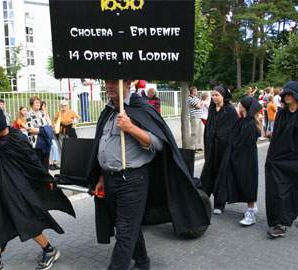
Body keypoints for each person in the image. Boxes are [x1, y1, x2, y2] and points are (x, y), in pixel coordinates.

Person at [88, 80, 210, 270]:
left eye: (114, 81)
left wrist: (130, 128)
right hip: (110, 179)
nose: (109, 86)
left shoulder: (140, 108)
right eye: (107, 82)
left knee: (125, 231)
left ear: (127, 83)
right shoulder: (109, 111)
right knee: (128, 226)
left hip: (133, 181)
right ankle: (143, 262)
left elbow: (159, 144)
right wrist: (101, 177)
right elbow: (102, 145)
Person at [0, 106, 75, 270]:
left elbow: (32, 162)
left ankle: (49, 250)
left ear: (2, 127)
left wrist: (46, 178)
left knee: (25, 218)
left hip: (14, 186)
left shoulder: (17, 139)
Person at [265, 81, 298, 238]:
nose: (286, 96)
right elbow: (276, 137)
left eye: (290, 94)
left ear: (296, 96)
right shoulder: (281, 113)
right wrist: (270, 158)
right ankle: (280, 222)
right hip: (281, 160)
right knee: (278, 190)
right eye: (285, 94)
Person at [201, 85, 238, 214]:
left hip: (224, 149)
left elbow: (232, 130)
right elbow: (208, 128)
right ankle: (202, 201)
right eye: (213, 95)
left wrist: (222, 139)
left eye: (217, 95)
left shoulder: (230, 110)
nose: (214, 97)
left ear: (223, 96)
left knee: (221, 174)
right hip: (211, 148)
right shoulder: (211, 109)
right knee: (207, 174)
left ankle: (219, 204)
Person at [229, 96, 262, 226]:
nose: (238, 106)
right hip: (244, 158)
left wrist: (232, 152)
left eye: (240, 104)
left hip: (246, 159)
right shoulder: (244, 120)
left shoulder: (248, 124)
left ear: (245, 107)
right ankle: (252, 208)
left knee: (248, 183)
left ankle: (251, 212)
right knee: (245, 183)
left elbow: (240, 143)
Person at [26, 96, 52, 169]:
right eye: (36, 102)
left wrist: (40, 129)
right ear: (31, 104)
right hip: (36, 142)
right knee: (39, 165)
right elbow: (30, 130)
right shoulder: (29, 114)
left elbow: (50, 126)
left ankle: (46, 179)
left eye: (39, 102)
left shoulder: (43, 113)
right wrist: (44, 130)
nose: (38, 104)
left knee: (46, 164)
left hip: (46, 141)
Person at [188, 87, 204, 151]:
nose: (197, 92)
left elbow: (200, 104)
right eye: (196, 91)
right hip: (194, 117)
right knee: (194, 132)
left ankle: (197, 147)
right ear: (193, 92)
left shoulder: (196, 98)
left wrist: (200, 103)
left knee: (199, 132)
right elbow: (199, 106)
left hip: (199, 117)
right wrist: (200, 103)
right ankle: (192, 147)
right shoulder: (189, 98)